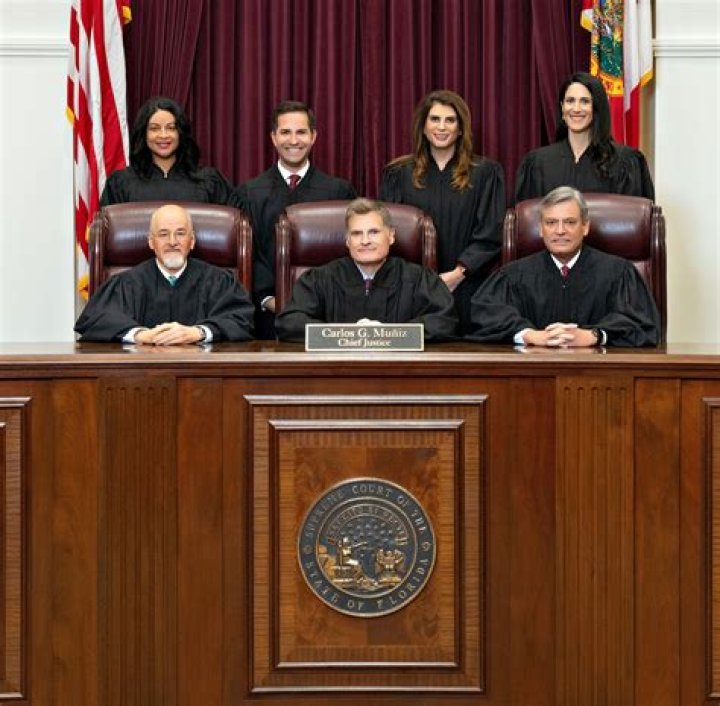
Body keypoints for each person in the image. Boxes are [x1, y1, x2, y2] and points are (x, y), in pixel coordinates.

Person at [380, 89, 505, 336]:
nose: (441, 127)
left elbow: (491, 233)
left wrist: (458, 274)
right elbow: (389, 236)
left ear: (460, 129)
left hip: (468, 287)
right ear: (423, 127)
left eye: (450, 120)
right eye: (435, 119)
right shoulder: (398, 174)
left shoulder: (485, 173)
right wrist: (425, 282)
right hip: (412, 291)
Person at [469, 186, 660, 347]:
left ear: (585, 227)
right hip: (533, 371)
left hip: (599, 371)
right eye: (551, 223)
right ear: (541, 229)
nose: (560, 231)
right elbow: (486, 317)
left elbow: (642, 324)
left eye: (570, 222)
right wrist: (529, 335)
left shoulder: (618, 272)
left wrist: (594, 336)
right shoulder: (513, 275)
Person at [232, 100, 357, 338]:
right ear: (273, 137)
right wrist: (269, 298)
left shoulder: (339, 192)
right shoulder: (249, 193)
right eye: (285, 132)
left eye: (301, 132)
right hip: (266, 316)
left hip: (327, 314)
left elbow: (348, 252)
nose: (293, 140)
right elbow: (247, 254)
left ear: (313, 136)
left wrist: (323, 301)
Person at [275, 198, 458, 342]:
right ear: (347, 240)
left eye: (374, 232)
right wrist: (346, 335)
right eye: (356, 234)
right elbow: (289, 322)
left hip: (401, 373)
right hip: (336, 372)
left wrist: (387, 334)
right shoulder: (319, 279)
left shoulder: (419, 279)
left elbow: (445, 321)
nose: (365, 241)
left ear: (391, 236)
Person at [75, 204, 254, 343]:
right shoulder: (126, 284)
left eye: (180, 233)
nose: (172, 242)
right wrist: (140, 335)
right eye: (163, 234)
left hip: (202, 373)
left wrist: (198, 332)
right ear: (151, 242)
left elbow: (241, 320)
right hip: (140, 372)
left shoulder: (219, 282)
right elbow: (95, 319)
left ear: (192, 241)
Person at [515, 72, 655, 202]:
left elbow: (635, 217)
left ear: (597, 108)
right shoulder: (538, 163)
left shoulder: (625, 162)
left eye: (585, 101)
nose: (576, 109)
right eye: (570, 101)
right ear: (562, 108)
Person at [100, 96, 233, 205]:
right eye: (154, 128)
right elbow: (105, 226)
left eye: (171, 128)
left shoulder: (209, 181)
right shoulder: (121, 183)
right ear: (143, 134)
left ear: (180, 133)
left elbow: (234, 223)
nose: (163, 135)